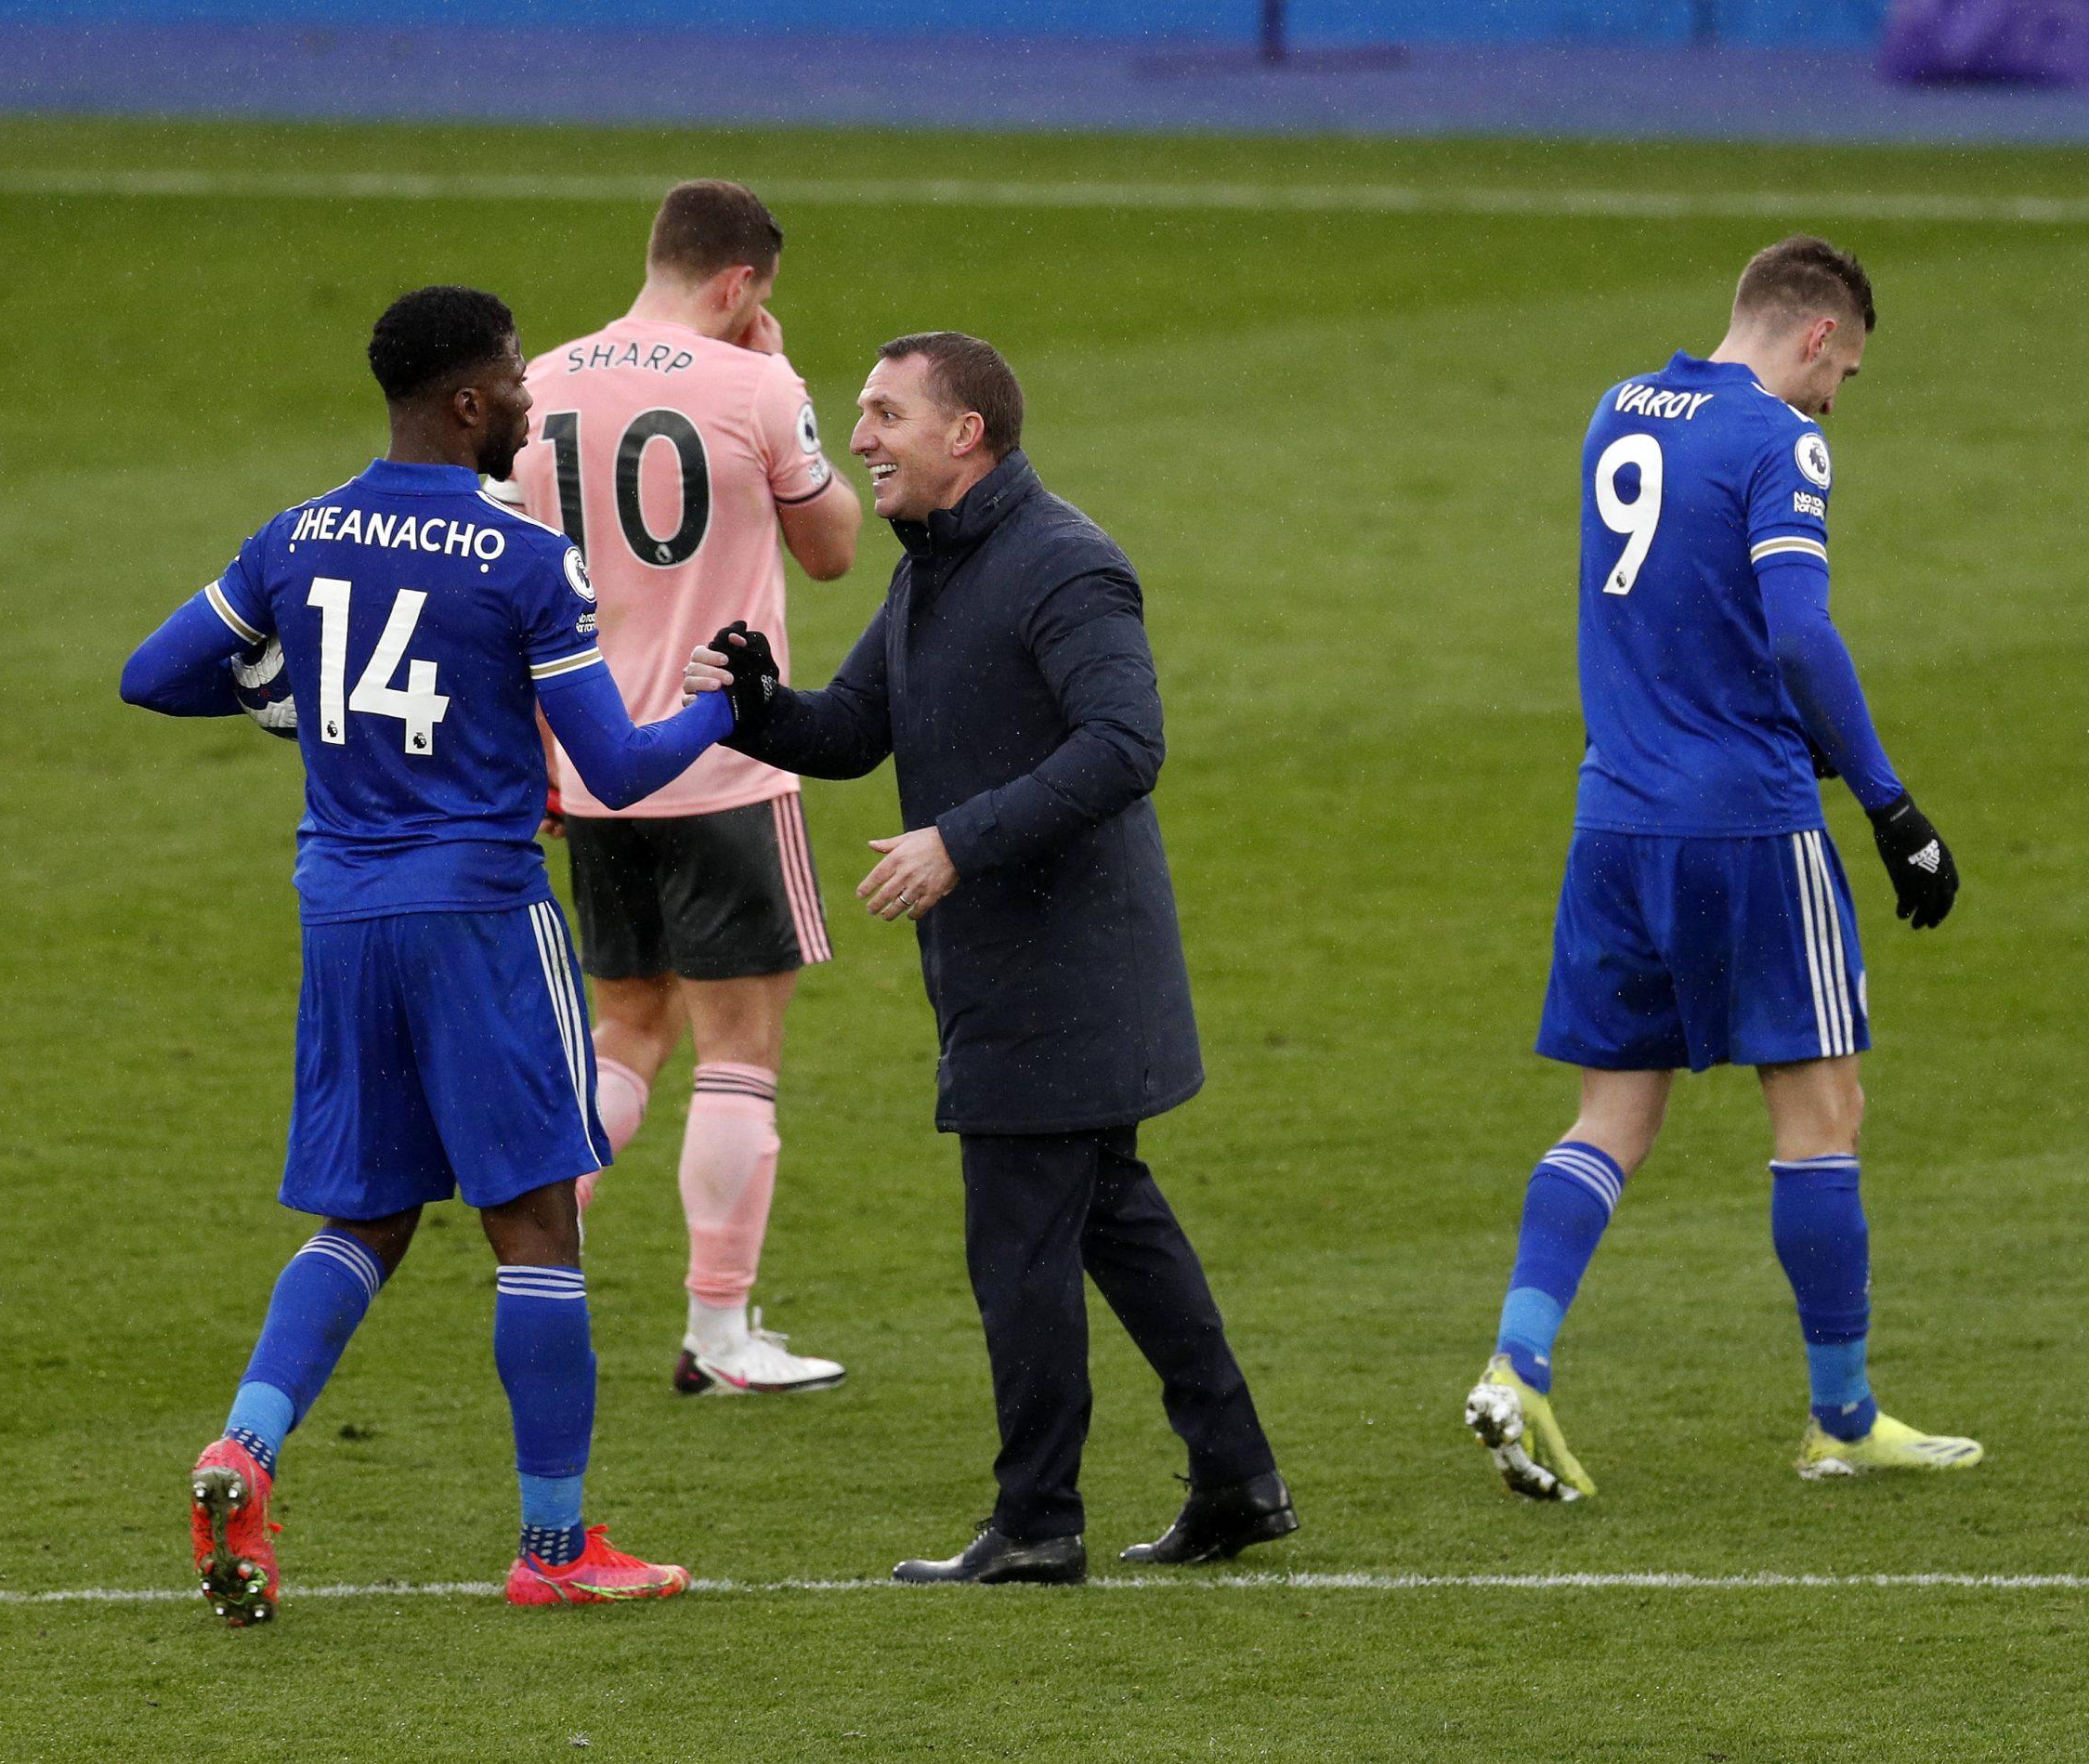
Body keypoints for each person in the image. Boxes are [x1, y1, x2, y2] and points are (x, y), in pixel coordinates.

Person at [120, 285, 737, 1622]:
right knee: (536, 1221)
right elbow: (621, 771)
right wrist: (723, 703)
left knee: (368, 1214)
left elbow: (153, 674)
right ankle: (557, 1550)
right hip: (478, 914)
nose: (525, 395)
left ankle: (245, 1446)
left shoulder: (297, 536)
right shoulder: (523, 561)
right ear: (467, 401)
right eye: (512, 375)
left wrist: (294, 704)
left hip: (342, 913)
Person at [685, 333, 1294, 1585]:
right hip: (1013, 969)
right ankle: (1235, 1478)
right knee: (1115, 1224)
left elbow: (1127, 742)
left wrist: (959, 841)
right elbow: (851, 731)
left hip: (1065, 974)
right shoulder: (933, 572)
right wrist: (756, 698)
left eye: (884, 414)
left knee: (1017, 1245)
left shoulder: (1065, 566)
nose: (859, 440)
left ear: (966, 434)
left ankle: (1037, 1522)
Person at [1464, 237, 1979, 1502]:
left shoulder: (1617, 409)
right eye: (1843, 372)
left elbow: (1665, 609)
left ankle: (1517, 1363)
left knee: (1613, 1116)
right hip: (1747, 825)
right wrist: (1890, 804)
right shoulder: (1780, 440)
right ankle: (1843, 1414)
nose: (1835, 398)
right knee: (1821, 1114)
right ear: (1814, 337)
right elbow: (1799, 635)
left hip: (1616, 822)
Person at [492, 179, 860, 1397]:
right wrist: (784, 382)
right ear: (743, 285)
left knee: (627, 1028)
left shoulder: (537, 382)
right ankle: (718, 1333)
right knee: (738, 1048)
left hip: (588, 766)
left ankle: (545, 1254)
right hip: (724, 760)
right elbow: (833, 550)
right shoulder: (756, 385)